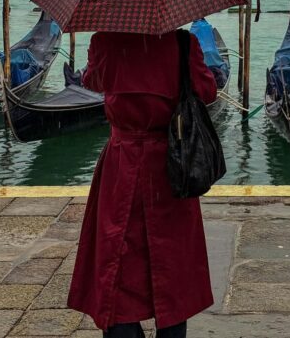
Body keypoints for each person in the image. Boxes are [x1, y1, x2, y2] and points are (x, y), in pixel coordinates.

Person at [68, 30, 218, 338]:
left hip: (121, 163)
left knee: (117, 258)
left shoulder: (104, 41)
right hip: (171, 165)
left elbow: (92, 81)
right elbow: (206, 91)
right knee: (173, 264)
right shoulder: (182, 43)